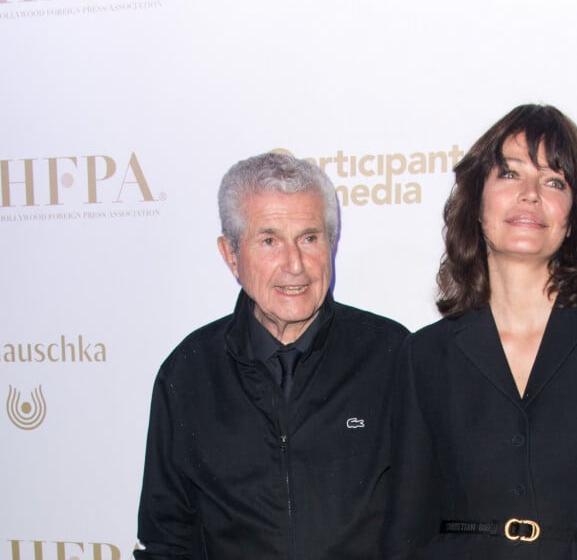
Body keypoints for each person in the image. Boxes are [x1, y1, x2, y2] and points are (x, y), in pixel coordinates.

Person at [134, 152, 408, 560]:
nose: (294, 265)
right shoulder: (189, 373)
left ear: (331, 244)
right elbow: (166, 540)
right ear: (231, 256)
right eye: (269, 241)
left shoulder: (393, 356)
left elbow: (430, 517)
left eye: (309, 238)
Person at [384, 104, 577, 559]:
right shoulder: (425, 355)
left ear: (571, 217)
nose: (531, 194)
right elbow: (406, 529)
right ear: (477, 201)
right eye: (510, 175)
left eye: (555, 181)